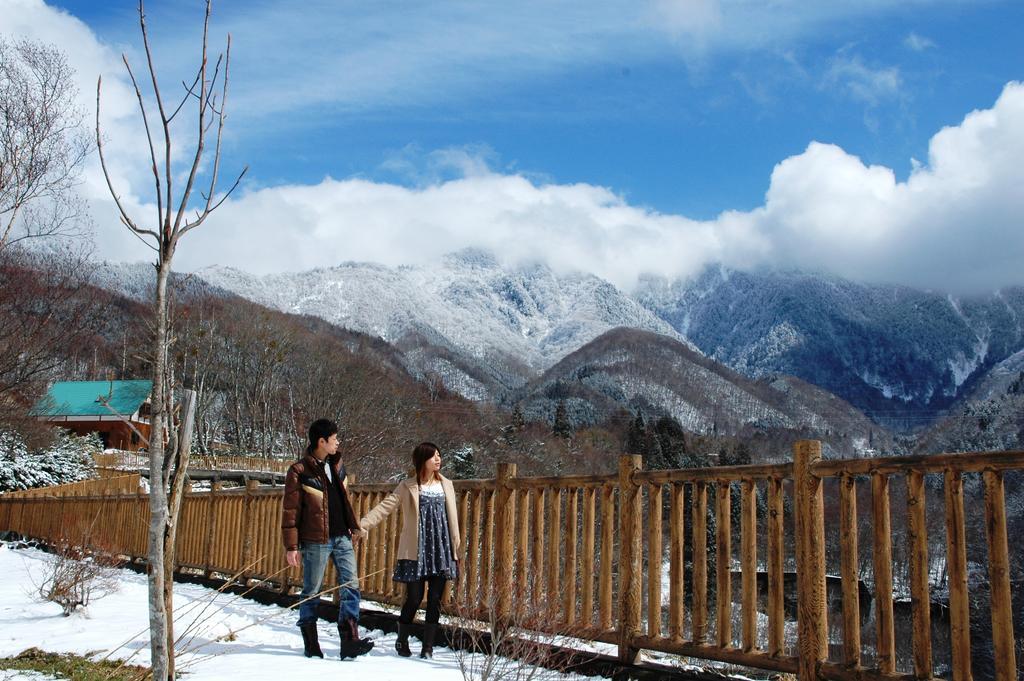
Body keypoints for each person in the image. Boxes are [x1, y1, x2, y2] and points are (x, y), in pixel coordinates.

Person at [282, 418, 374, 659]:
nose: (337, 443)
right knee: (312, 590)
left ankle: (349, 640)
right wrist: (291, 546)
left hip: (342, 536)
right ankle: (311, 643)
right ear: (321, 441)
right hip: (316, 538)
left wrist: (353, 527)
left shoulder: (337, 464)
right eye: (334, 439)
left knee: (351, 585)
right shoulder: (299, 471)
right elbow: (291, 511)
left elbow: (342, 500)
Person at [358, 442, 460, 659]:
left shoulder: (446, 485)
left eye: (439, 455)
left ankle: (428, 647)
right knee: (414, 598)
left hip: (441, 548)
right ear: (422, 460)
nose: (438, 459)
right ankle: (402, 638)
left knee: (435, 599)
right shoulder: (408, 486)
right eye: (434, 456)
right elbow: (386, 506)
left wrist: (455, 544)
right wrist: (363, 524)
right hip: (417, 549)